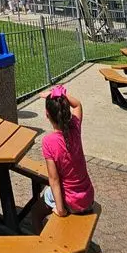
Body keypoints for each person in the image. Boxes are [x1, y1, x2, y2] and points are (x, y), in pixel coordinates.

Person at [31, 85, 94, 233]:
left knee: (35, 212)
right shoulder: (75, 128)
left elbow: (54, 180)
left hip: (70, 201)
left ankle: (42, 250)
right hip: (88, 196)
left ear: (47, 115)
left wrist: (61, 210)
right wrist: (58, 96)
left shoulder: (48, 142)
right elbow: (77, 104)